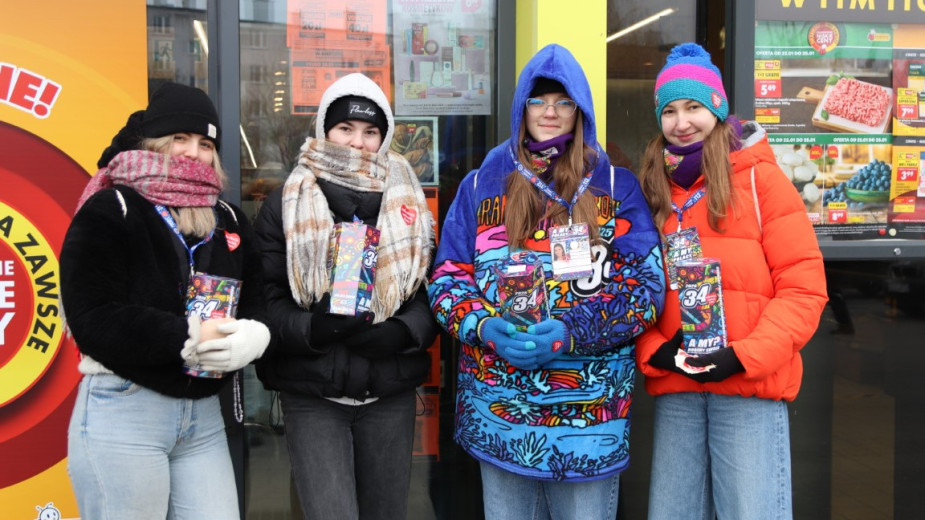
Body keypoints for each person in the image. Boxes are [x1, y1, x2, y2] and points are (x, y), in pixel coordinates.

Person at [428, 44, 665, 520]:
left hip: (588, 424)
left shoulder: (614, 188)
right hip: (501, 416)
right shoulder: (481, 186)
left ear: (580, 110)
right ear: (521, 107)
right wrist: (483, 327)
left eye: (563, 101)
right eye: (539, 101)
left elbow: (646, 287)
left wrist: (570, 330)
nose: (550, 112)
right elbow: (448, 278)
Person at [61, 82, 271, 519]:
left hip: (202, 415)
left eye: (205, 143)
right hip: (124, 406)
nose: (193, 153)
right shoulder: (113, 206)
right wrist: (190, 335)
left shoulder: (227, 217)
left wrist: (252, 335)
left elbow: (257, 297)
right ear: (155, 142)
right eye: (180, 139)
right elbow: (92, 317)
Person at [635, 43, 827, 519]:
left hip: (748, 388)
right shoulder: (651, 190)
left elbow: (804, 289)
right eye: (671, 110)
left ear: (717, 109)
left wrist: (744, 356)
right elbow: (629, 283)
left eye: (694, 107)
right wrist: (655, 349)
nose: (682, 122)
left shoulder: (761, 181)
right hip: (679, 387)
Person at [254, 72, 437, 520]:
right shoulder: (286, 203)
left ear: (385, 137)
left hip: (388, 395)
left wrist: (401, 332)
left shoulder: (409, 204)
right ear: (324, 130)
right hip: (315, 395)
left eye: (371, 132)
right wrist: (313, 329)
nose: (358, 142)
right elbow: (266, 302)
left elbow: (432, 293)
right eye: (345, 128)